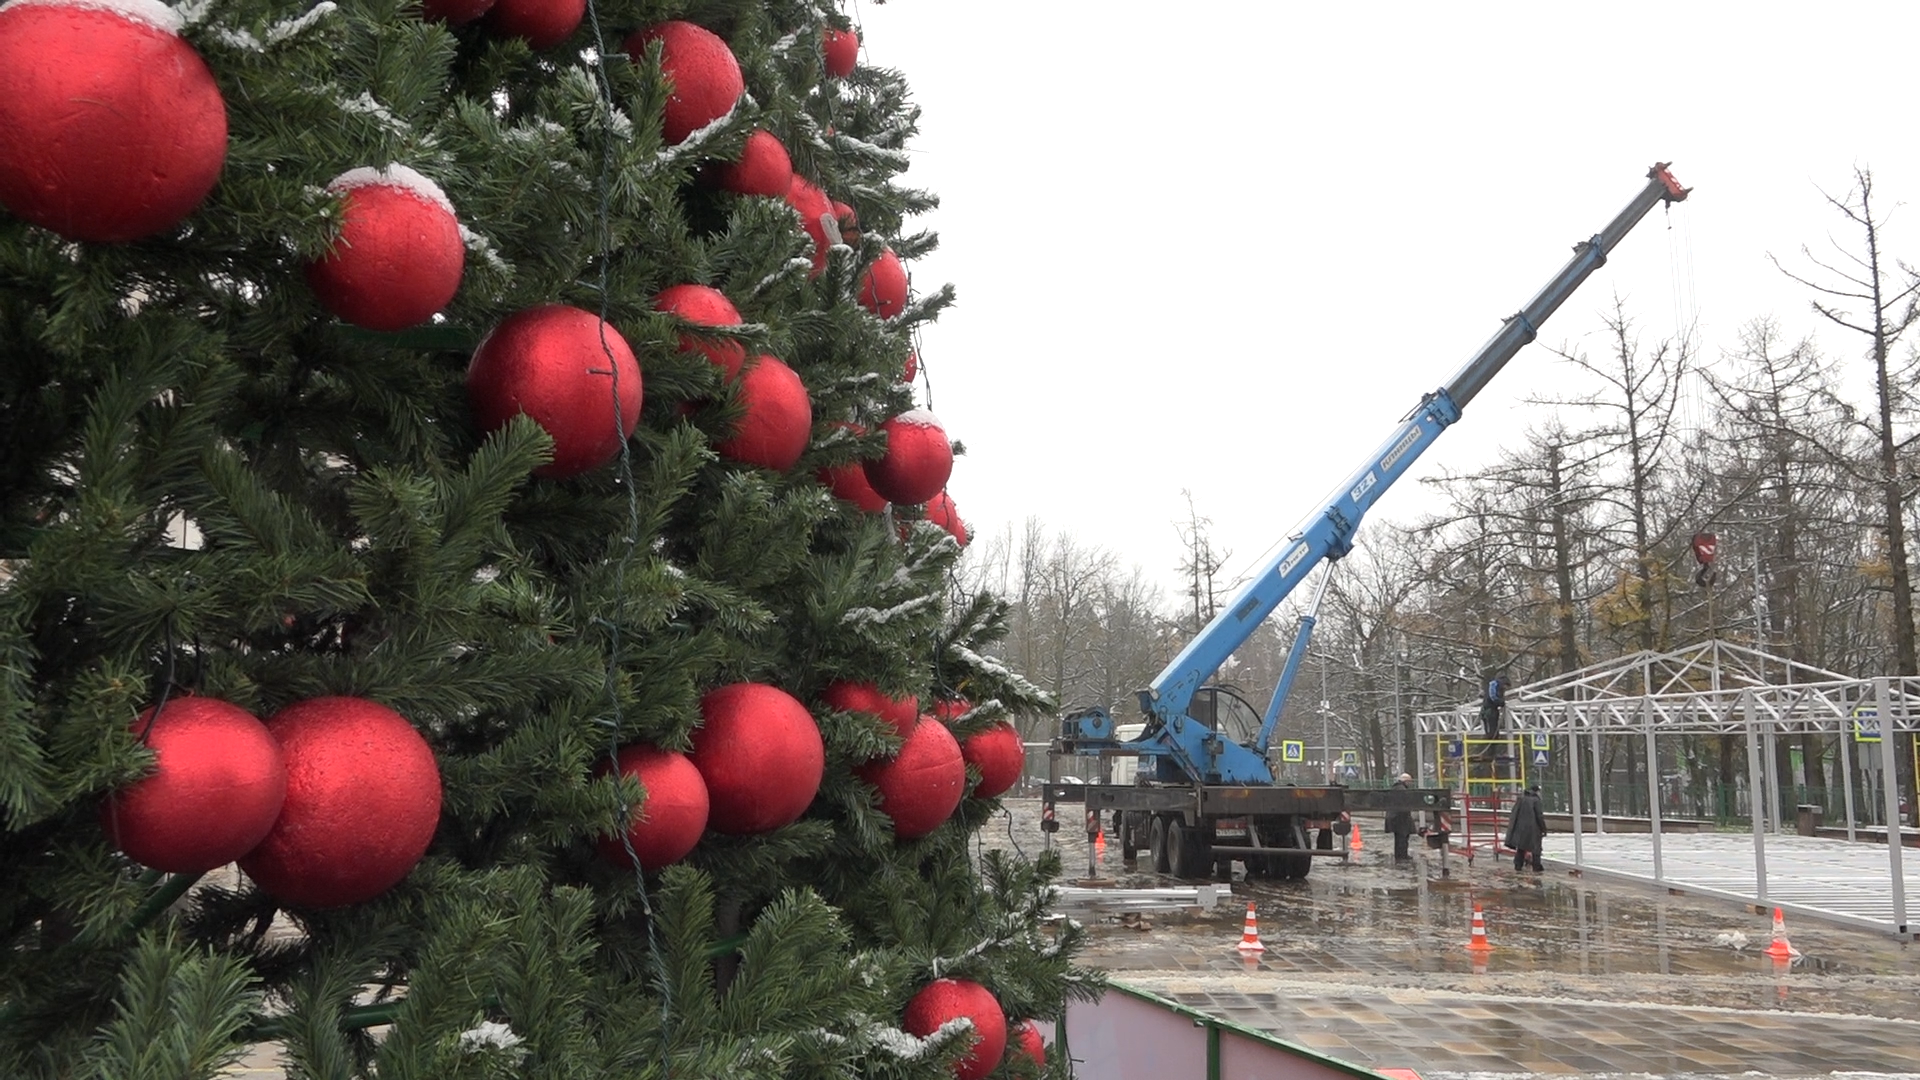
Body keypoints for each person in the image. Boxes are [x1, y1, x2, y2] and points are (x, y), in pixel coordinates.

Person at [1507, 785, 1546, 872]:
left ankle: (1518, 865)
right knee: (1536, 848)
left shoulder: (1521, 799)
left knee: (1521, 847)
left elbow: (1514, 813)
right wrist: (1543, 829)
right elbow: (1539, 816)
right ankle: (1537, 866)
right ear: (1537, 791)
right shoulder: (1536, 800)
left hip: (1520, 829)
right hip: (1533, 829)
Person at [1385, 772, 1416, 861]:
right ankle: (1402, 856)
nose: (1410, 784)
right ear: (1406, 781)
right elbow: (1405, 803)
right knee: (1403, 837)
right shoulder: (1402, 790)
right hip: (1401, 817)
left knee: (1398, 838)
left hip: (1395, 817)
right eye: (1409, 782)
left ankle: (1399, 855)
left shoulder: (1395, 788)